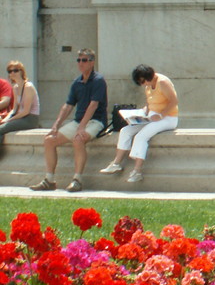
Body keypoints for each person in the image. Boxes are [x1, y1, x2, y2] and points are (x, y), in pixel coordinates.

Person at [30, 49, 108, 192]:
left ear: (92, 62)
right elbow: (67, 106)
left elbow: (93, 105)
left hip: (96, 121)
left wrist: (82, 127)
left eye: (84, 60)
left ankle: (77, 180)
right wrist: (56, 125)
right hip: (79, 121)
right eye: (78, 60)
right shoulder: (76, 82)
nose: (80, 63)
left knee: (78, 139)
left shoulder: (98, 80)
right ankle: (49, 180)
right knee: (49, 140)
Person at [99, 64, 179, 183]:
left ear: (147, 76)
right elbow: (149, 104)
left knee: (141, 136)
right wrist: (137, 116)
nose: (142, 84)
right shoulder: (148, 85)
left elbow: (174, 101)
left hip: (168, 118)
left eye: (142, 81)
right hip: (152, 116)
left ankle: (137, 171)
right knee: (125, 130)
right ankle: (116, 163)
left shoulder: (162, 82)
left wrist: (161, 115)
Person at [0, 61, 40, 143]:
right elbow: (14, 109)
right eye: (10, 71)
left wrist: (9, 120)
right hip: (20, 117)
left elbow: (26, 111)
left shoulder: (28, 86)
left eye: (15, 70)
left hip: (30, 119)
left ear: (21, 71)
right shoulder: (15, 87)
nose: (12, 73)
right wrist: (6, 119)